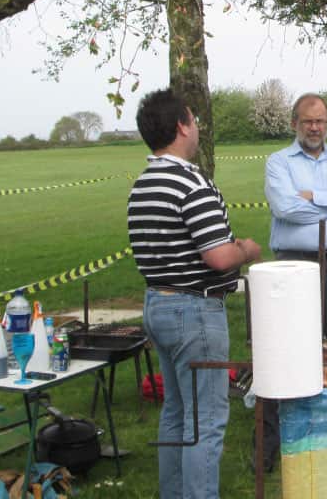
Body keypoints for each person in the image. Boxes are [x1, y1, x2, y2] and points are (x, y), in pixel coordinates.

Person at [128, 88, 262, 499]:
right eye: (194, 119)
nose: (198, 127)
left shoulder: (142, 184)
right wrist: (246, 249)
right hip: (194, 311)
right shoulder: (191, 183)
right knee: (206, 419)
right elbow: (218, 257)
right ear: (182, 126)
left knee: (177, 411)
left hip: (157, 304)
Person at [257, 92, 327, 470]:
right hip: (292, 266)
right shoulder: (279, 162)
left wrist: (313, 196)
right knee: (283, 350)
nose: (315, 128)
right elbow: (285, 207)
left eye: (320, 121)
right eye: (308, 121)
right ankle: (272, 441)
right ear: (295, 124)